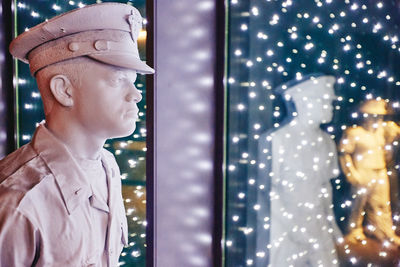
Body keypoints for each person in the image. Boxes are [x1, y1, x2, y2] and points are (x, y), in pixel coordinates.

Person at [0, 3, 154, 266]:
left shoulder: (108, 168)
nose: (136, 94)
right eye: (118, 80)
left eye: (134, 80)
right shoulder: (18, 202)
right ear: (64, 90)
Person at [256, 75, 341, 267]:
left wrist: (331, 222)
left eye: (329, 102)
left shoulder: (327, 142)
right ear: (303, 102)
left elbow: (324, 186)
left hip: (317, 228)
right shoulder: (278, 140)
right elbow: (270, 191)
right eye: (323, 101)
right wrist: (293, 229)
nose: (329, 106)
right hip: (286, 231)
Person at [339, 99, 400, 246]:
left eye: (379, 116)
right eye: (373, 116)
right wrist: (351, 173)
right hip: (363, 171)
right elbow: (344, 153)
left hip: (380, 170)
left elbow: (394, 136)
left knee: (382, 204)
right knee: (358, 204)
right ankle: (354, 230)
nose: (376, 119)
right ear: (365, 116)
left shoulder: (382, 132)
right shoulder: (355, 133)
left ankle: (384, 231)